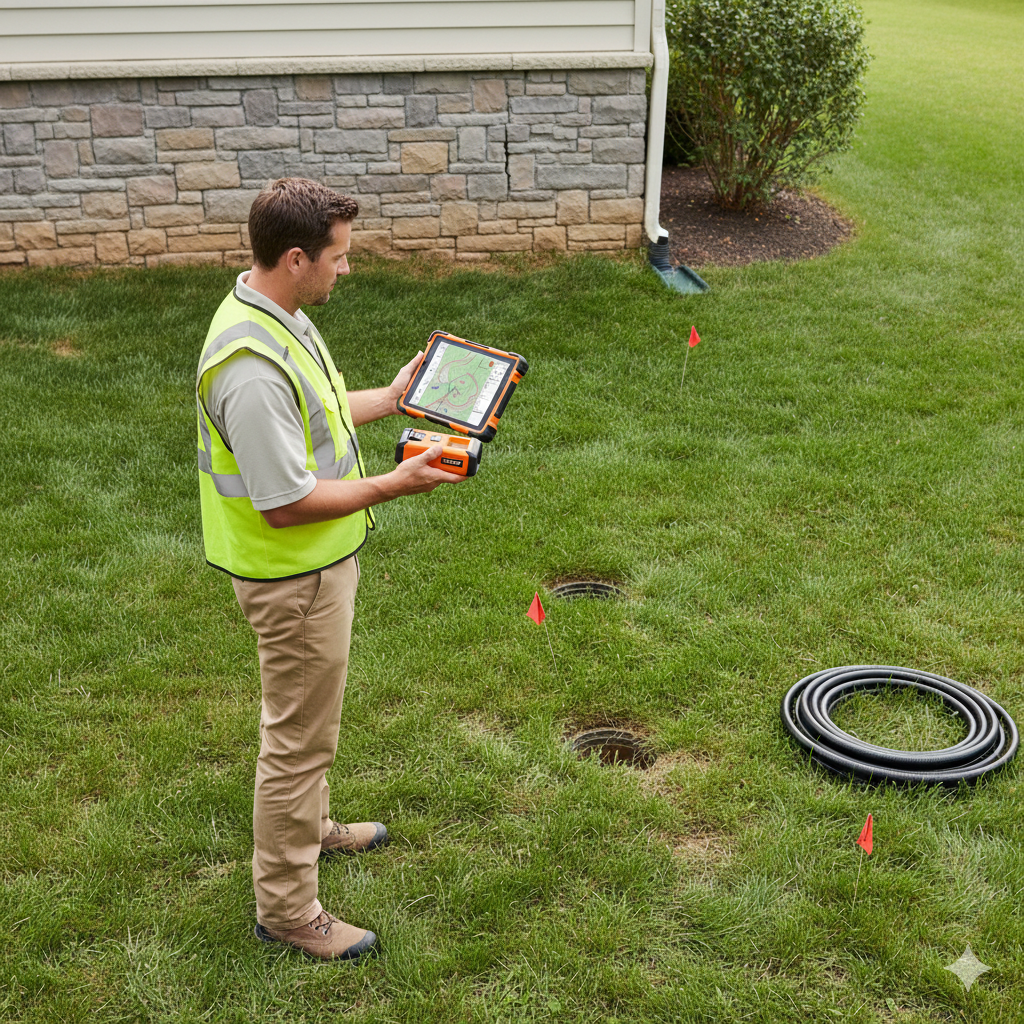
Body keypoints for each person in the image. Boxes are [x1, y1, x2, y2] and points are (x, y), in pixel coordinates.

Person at [196, 178, 462, 961]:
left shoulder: (277, 314)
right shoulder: (246, 364)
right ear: (295, 257)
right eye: (339, 257)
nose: (346, 269)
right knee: (297, 742)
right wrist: (396, 484)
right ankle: (286, 908)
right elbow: (284, 500)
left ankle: (313, 828)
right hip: (292, 574)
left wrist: (393, 397)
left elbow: (312, 412)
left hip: (314, 567)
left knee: (313, 724)